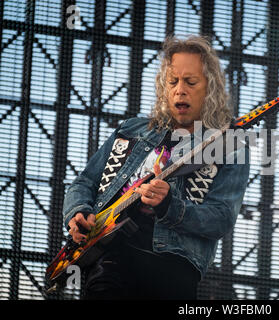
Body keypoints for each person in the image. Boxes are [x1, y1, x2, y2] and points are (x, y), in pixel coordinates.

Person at [62, 35, 250, 299]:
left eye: (191, 81)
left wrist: (168, 206)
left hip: (172, 269)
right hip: (109, 260)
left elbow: (220, 218)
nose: (179, 90)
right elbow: (85, 182)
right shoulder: (130, 129)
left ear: (210, 88)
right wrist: (78, 212)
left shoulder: (229, 145)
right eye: (172, 81)